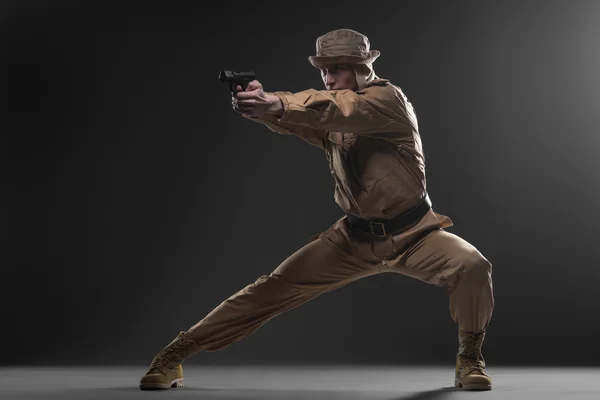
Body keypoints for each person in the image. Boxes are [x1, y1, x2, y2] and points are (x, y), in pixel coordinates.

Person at [139, 28, 495, 392]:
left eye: (337, 68)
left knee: (472, 266)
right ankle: (175, 354)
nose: (328, 78)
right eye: (324, 70)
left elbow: (338, 109)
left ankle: (469, 357)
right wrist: (260, 108)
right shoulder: (336, 113)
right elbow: (307, 119)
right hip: (352, 240)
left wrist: (275, 103)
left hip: (414, 235)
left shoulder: (388, 101)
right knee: (269, 290)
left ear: (361, 67)